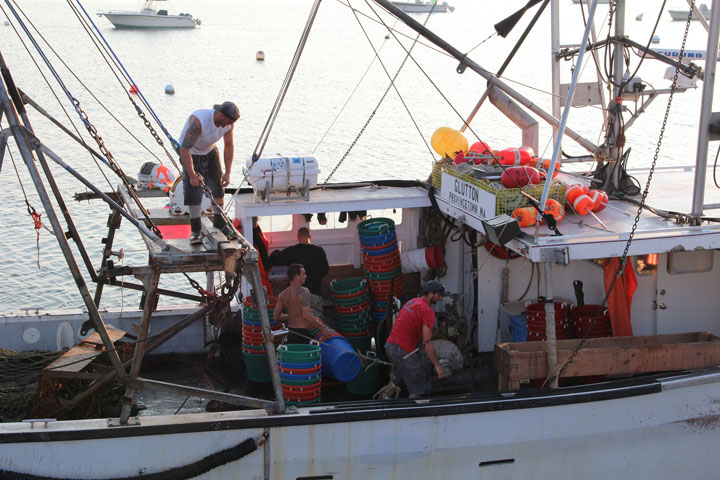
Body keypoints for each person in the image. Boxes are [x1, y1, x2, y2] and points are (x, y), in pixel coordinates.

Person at [179, 101, 240, 245]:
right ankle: (195, 230)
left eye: (232, 122)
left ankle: (220, 223)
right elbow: (184, 149)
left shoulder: (229, 124)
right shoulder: (199, 122)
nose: (228, 125)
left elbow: (229, 145)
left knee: (218, 185)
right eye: (228, 121)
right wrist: (192, 175)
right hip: (190, 152)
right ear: (220, 114)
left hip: (210, 150)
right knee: (193, 189)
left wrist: (228, 172)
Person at [384, 280, 447, 398]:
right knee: (419, 385)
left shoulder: (412, 301)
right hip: (402, 350)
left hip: (391, 346)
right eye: (439, 295)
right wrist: (437, 365)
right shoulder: (428, 311)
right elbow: (427, 343)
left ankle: (385, 400)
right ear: (431, 294)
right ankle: (413, 411)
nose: (441, 298)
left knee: (398, 375)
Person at [270, 226, 328, 316]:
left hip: (296, 297)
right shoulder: (319, 251)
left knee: (297, 324)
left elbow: (275, 260)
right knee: (315, 325)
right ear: (310, 237)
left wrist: (275, 252)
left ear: (298, 237)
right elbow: (325, 271)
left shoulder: (291, 251)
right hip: (314, 296)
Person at [273, 263, 332, 344]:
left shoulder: (282, 294)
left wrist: (291, 315)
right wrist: (323, 330)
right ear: (297, 276)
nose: (305, 276)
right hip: (303, 334)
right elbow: (307, 315)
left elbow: (276, 317)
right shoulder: (304, 292)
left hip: (291, 333)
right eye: (303, 274)